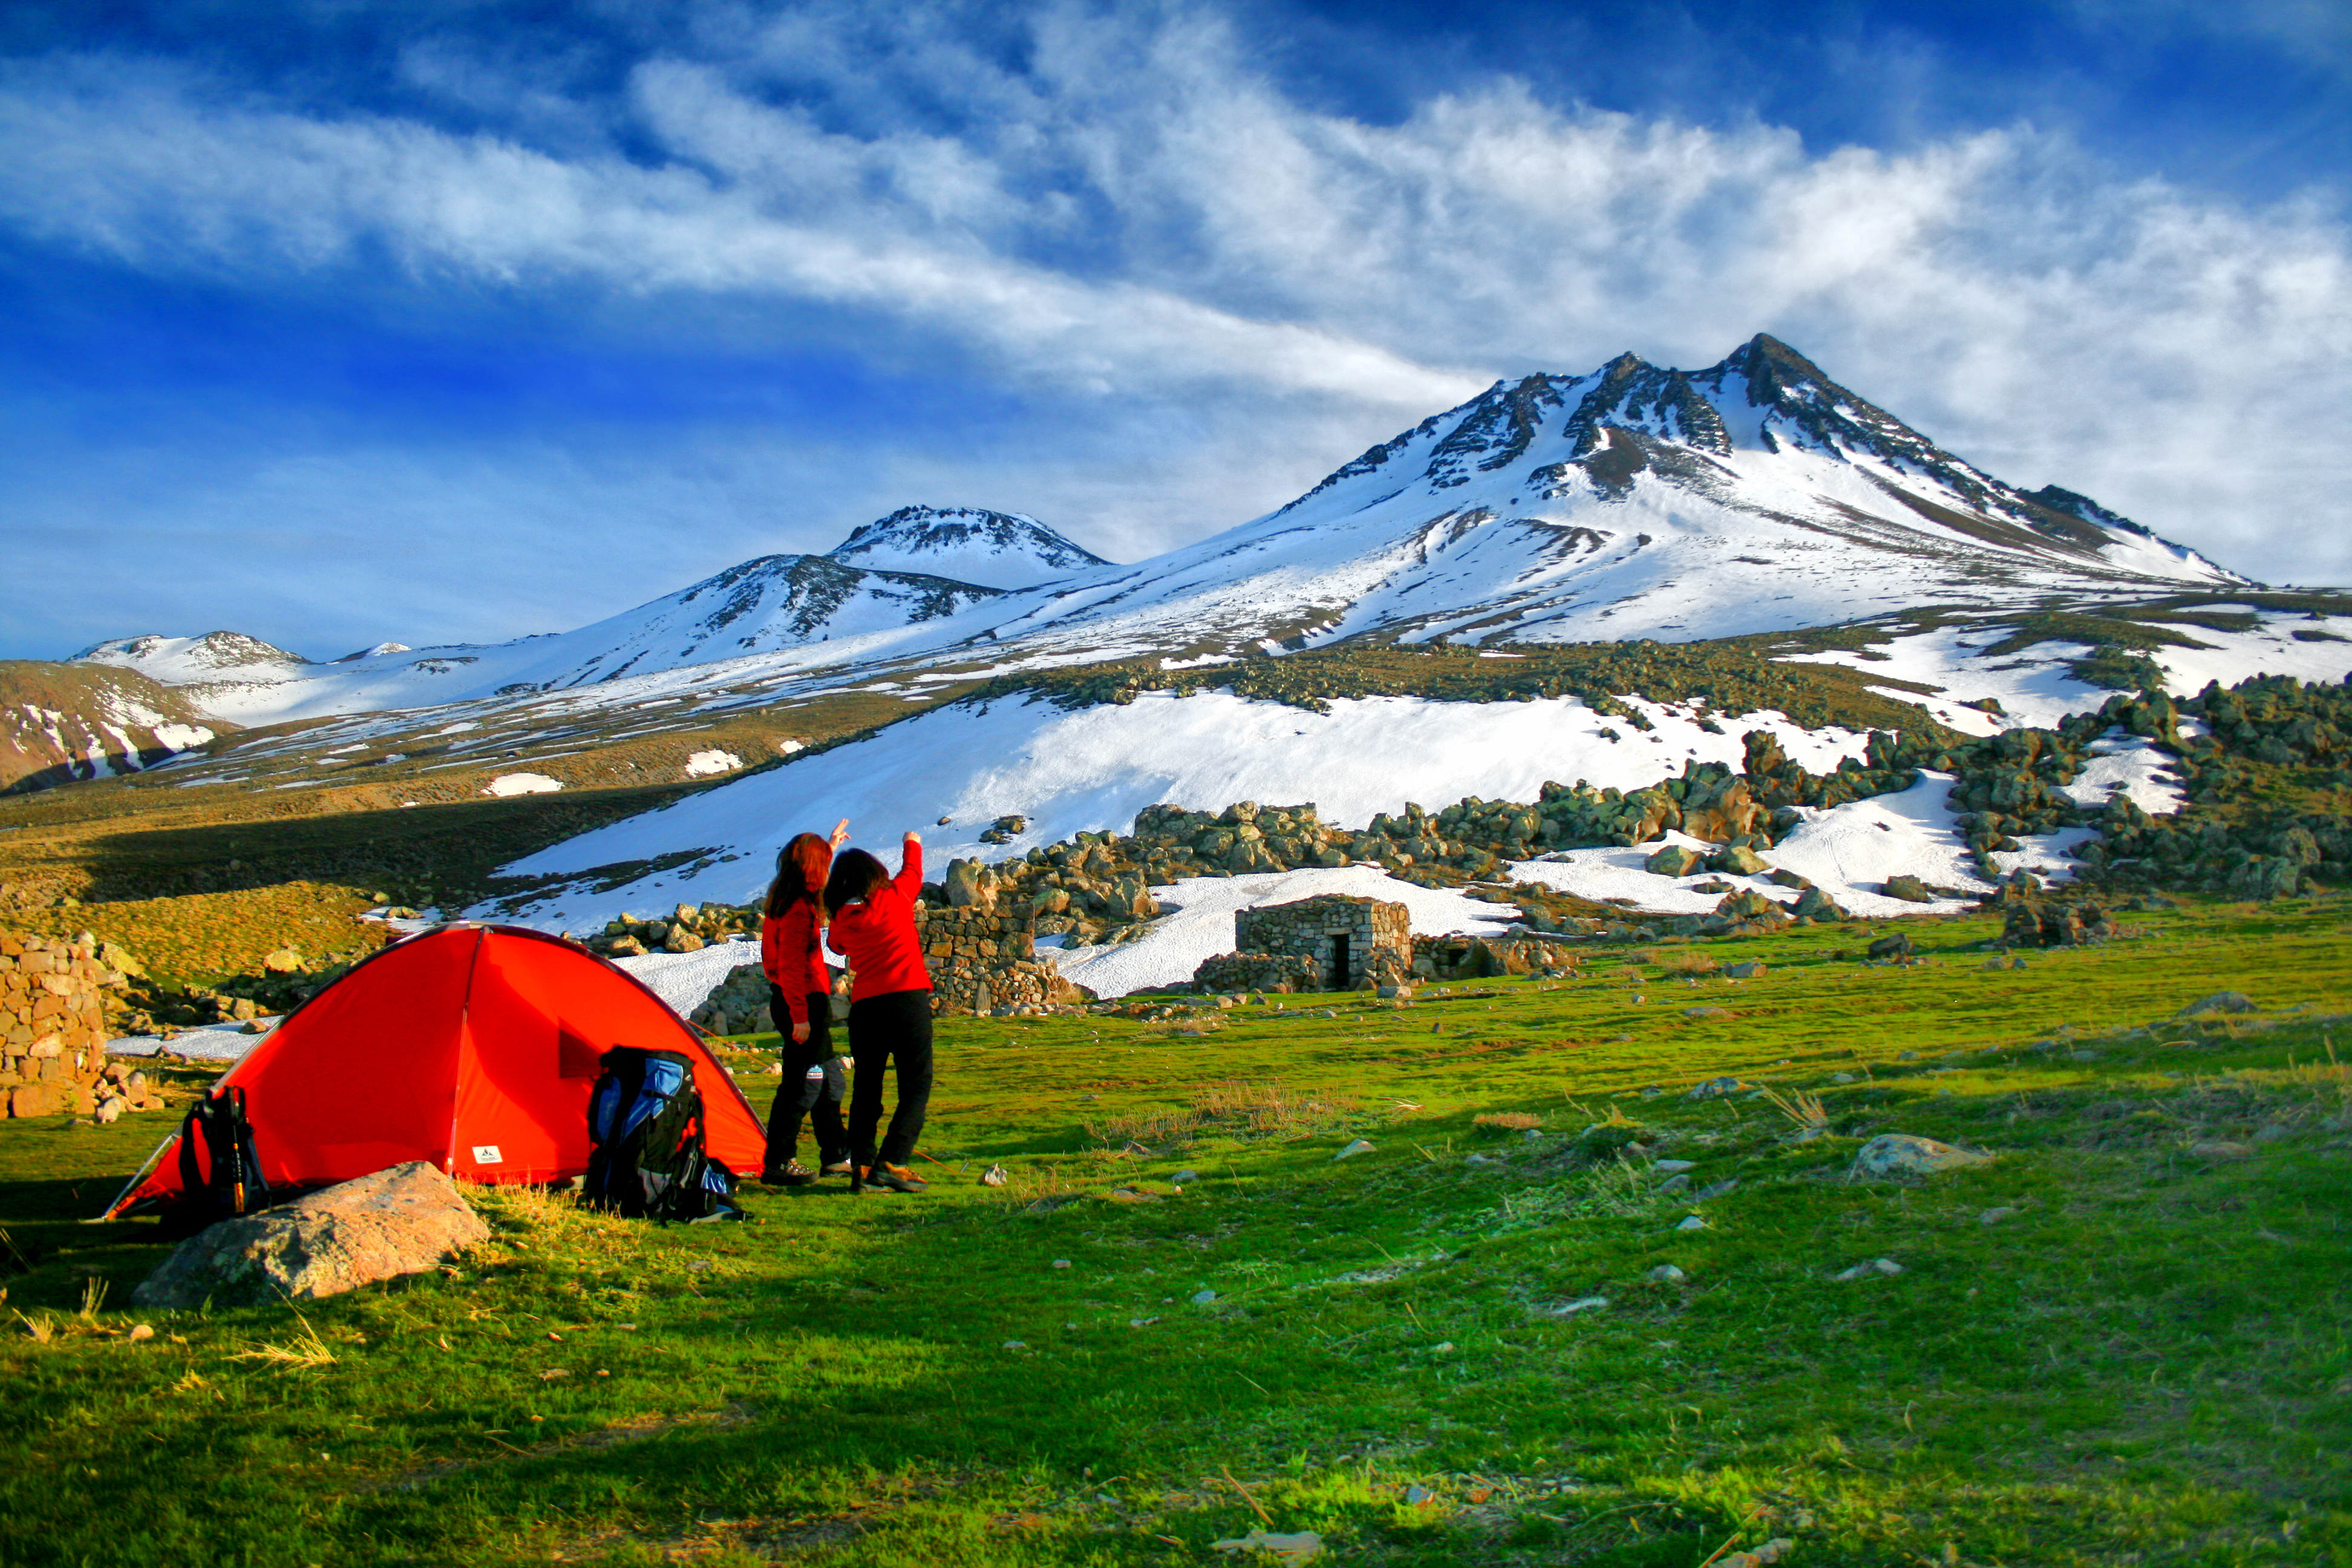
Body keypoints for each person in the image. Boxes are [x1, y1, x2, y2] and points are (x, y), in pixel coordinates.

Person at [823, 829, 933, 1194]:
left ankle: (863, 1166)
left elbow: (836, 945)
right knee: (915, 1084)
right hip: (906, 998)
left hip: (866, 1007)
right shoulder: (894, 896)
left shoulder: (841, 917)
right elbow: (913, 873)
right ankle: (894, 1161)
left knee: (867, 1089)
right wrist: (912, 843)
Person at [758, 818, 851, 1186]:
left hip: (804, 1003)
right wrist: (800, 1017)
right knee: (805, 1083)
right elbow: (792, 968)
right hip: (802, 1005)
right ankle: (779, 1160)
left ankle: (836, 1157)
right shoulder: (798, 910)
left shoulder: (787, 897)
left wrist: (830, 845)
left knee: (828, 1079)